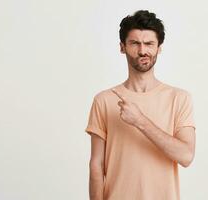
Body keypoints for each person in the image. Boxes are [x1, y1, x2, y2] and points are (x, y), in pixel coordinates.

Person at [84, 10, 196, 200]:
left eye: (149, 43)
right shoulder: (104, 100)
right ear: (122, 47)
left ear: (159, 47)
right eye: (135, 43)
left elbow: (185, 156)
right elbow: (96, 165)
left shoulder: (179, 98)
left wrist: (140, 121)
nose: (143, 50)